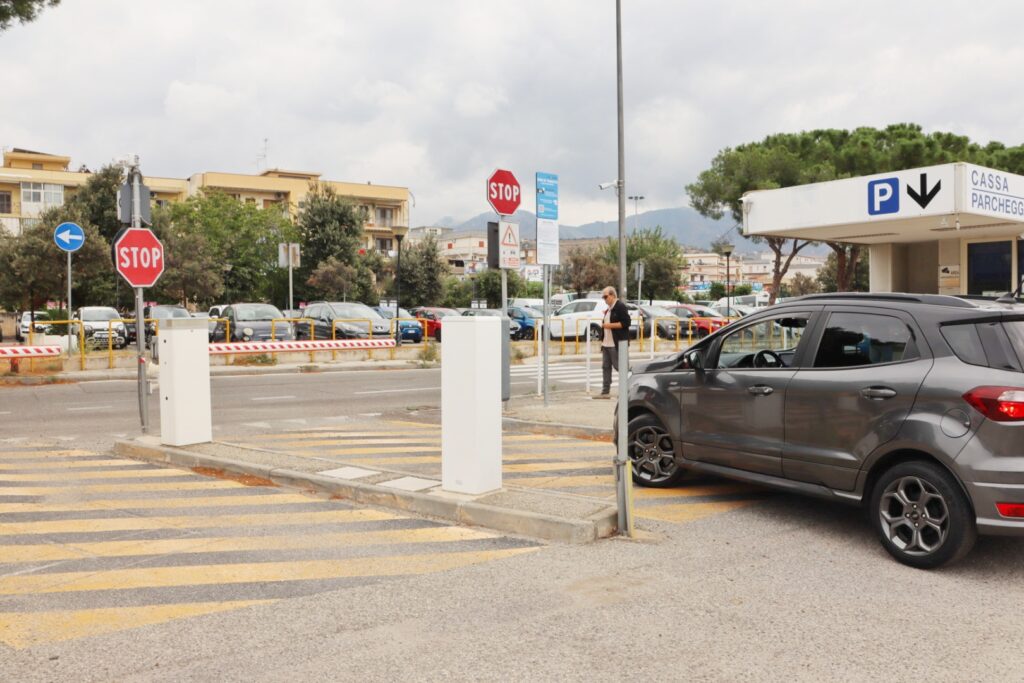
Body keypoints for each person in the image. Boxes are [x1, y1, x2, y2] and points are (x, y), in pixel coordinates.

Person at [596, 286, 630, 399]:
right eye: (603, 297)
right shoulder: (609, 308)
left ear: (612, 295)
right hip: (606, 343)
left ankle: (627, 389)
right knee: (605, 367)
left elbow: (626, 323)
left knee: (620, 367)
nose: (604, 299)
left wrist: (609, 326)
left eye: (605, 297)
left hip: (616, 343)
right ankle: (605, 391)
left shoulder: (620, 306)